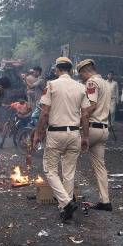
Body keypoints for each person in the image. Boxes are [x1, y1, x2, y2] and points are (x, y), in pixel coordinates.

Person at [32, 57, 90, 221]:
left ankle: (65, 203)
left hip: (56, 134)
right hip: (74, 133)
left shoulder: (51, 85)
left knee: (50, 170)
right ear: (71, 70)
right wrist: (85, 136)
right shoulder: (81, 87)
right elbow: (85, 114)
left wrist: (38, 133)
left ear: (56, 70)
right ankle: (65, 208)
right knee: (69, 172)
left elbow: (44, 112)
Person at [77, 60, 112, 211]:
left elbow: (91, 106)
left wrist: (79, 118)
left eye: (81, 75)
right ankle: (105, 201)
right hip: (104, 129)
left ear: (85, 71)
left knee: (67, 155)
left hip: (91, 128)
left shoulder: (91, 82)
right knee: (100, 166)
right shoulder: (105, 82)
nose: (82, 78)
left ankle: (66, 199)